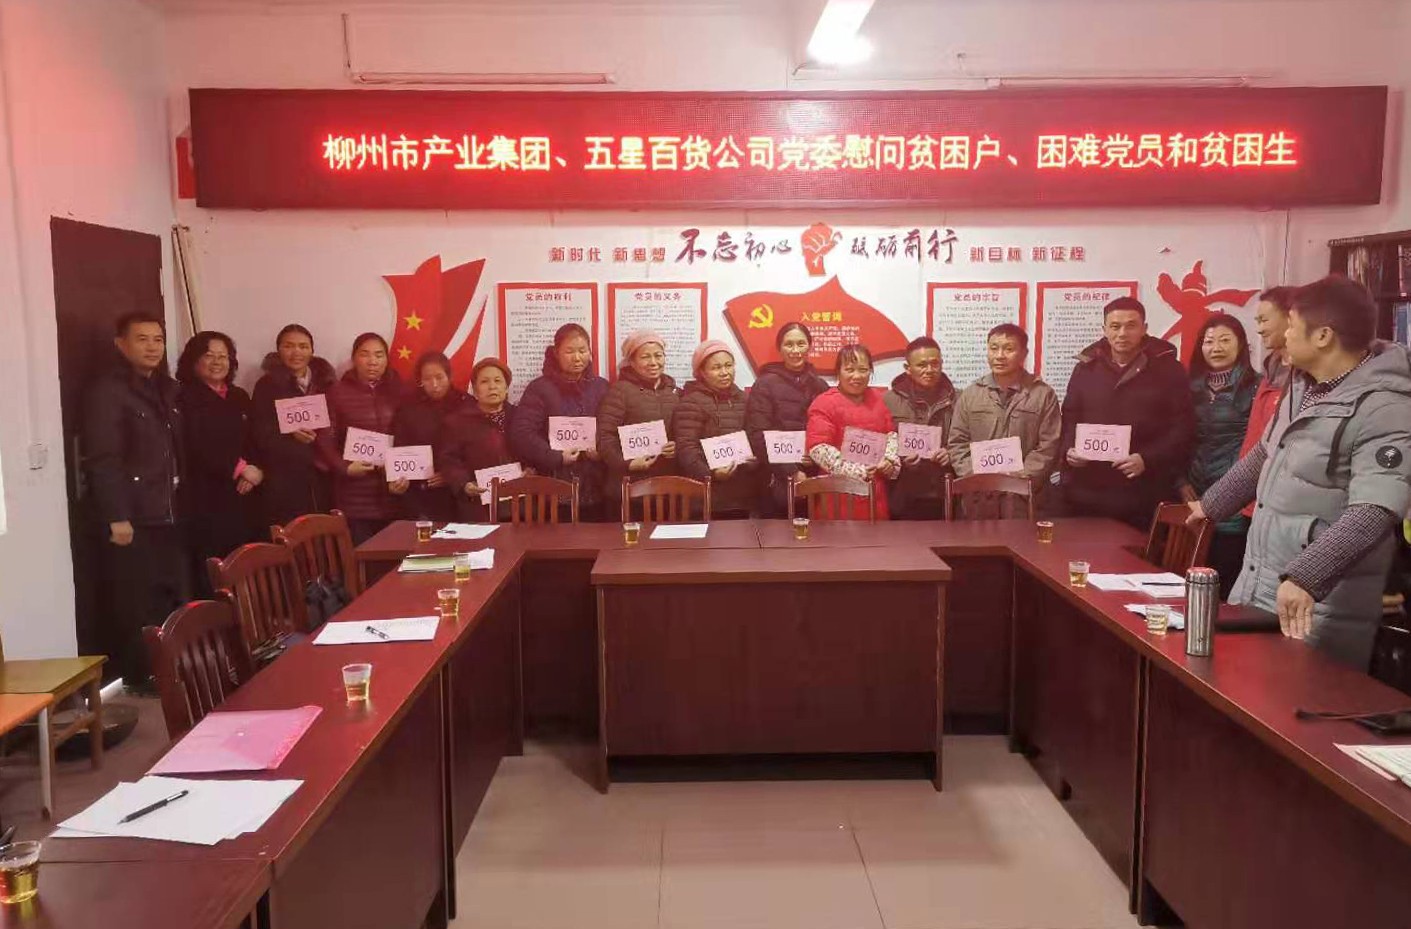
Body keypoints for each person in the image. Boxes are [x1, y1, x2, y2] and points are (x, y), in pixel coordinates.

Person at [1189, 276, 1411, 669]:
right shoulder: (1303, 385)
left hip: (1316, 603)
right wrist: (1211, 506)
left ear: (1323, 336)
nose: (1282, 335)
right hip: (1261, 581)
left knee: (1297, 698)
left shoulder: (1385, 407)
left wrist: (1308, 576)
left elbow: (1375, 509)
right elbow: (1266, 453)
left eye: (1291, 325)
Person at [83, 311, 189, 692]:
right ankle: (143, 676)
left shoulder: (165, 388)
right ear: (121, 344)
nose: (152, 347)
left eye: (158, 339)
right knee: (136, 600)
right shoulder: (108, 392)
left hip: (168, 508)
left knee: (170, 593)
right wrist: (117, 515)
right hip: (133, 514)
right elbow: (103, 458)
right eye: (142, 339)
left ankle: (171, 669)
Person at [1060, 296, 1195, 530]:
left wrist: (1147, 459)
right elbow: (1070, 416)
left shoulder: (1169, 370)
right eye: (1115, 326)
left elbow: (1183, 428)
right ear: (1104, 330)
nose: (1122, 333)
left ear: (1144, 328)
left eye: (1131, 326)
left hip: (1143, 491)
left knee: (1138, 552)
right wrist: (1069, 450)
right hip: (1089, 492)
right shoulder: (1085, 368)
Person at [1177, 314, 1258, 598]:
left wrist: (1234, 492)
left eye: (1225, 340)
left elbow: (1257, 446)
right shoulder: (1188, 388)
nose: (1216, 348)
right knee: (1186, 581)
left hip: (1234, 496)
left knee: (1222, 581)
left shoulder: (1255, 388)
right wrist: (1180, 482)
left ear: (1241, 345)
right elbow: (1176, 439)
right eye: (1209, 341)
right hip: (1191, 493)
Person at [175, 331, 262, 586]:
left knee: (246, 563)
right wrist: (240, 468)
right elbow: (193, 443)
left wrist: (257, 471)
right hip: (207, 496)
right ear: (193, 360)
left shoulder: (239, 396)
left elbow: (256, 438)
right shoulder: (184, 398)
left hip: (246, 493)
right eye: (209, 355)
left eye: (223, 356)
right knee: (214, 568)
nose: (217, 362)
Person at [948, 323, 1063, 504]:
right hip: (979, 497)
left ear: (1024, 354)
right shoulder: (971, 394)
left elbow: (1049, 446)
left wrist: (1018, 477)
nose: (1000, 355)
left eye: (1009, 349)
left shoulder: (1042, 394)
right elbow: (957, 443)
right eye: (994, 348)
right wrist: (978, 475)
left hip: (1024, 498)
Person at [509, 323, 610, 519]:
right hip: (553, 487)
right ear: (556, 353)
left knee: (598, 536)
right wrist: (556, 456)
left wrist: (602, 451)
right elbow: (521, 433)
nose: (577, 358)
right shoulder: (540, 388)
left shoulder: (601, 387)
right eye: (569, 351)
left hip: (597, 486)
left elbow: (612, 429)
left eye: (582, 351)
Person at [317, 333, 407, 544]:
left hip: (394, 494)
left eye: (379, 355)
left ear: (387, 359)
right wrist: (345, 467)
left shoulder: (400, 392)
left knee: (396, 557)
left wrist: (404, 474)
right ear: (354, 359)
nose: (372, 361)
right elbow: (324, 439)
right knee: (362, 556)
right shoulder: (336, 393)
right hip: (355, 496)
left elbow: (409, 437)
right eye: (365, 354)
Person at [250, 324, 336, 527]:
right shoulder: (266, 386)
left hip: (323, 474)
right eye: (289, 346)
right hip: (285, 477)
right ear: (278, 350)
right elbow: (259, 432)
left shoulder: (327, 383)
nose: (296, 352)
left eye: (303, 346)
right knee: (292, 533)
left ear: (312, 351)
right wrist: (289, 434)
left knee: (323, 532)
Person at [805, 344, 900, 520]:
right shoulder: (824, 403)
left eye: (863, 370)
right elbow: (818, 448)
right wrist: (858, 471)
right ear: (838, 372)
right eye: (849, 370)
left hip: (875, 494)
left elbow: (891, 435)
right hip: (837, 496)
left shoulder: (877, 399)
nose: (857, 376)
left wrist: (889, 461)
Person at [744, 322, 829, 517]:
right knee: (775, 534)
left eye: (801, 344)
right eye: (789, 344)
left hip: (813, 477)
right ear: (780, 348)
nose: (795, 350)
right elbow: (757, 435)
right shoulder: (765, 384)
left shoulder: (820, 386)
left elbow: (825, 432)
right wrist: (791, 471)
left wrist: (815, 456)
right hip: (775, 479)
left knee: (814, 533)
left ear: (809, 346)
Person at [597, 330, 680, 513]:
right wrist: (627, 464)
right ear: (632, 362)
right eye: (645, 357)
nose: (653, 362)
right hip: (627, 489)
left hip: (665, 489)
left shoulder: (674, 392)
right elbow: (604, 438)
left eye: (658, 355)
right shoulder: (619, 392)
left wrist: (677, 447)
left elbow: (683, 434)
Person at [674, 340, 758, 517]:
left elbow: (753, 437)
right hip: (704, 497)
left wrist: (754, 460)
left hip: (742, 495)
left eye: (728, 365)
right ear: (702, 372)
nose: (724, 372)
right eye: (716, 367)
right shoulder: (691, 402)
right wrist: (711, 473)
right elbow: (686, 449)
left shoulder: (744, 399)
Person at [1237, 286, 1296, 519]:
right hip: (1254, 495)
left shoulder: (1307, 380)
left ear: (1291, 317)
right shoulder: (1270, 370)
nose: (1259, 329)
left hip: (1282, 504)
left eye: (1264, 320)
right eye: (1257, 321)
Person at [882, 336, 955, 519]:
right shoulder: (888, 400)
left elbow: (967, 440)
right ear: (908, 368)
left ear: (941, 364)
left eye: (934, 364)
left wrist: (950, 453)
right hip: (902, 494)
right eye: (922, 365)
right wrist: (899, 458)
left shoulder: (959, 400)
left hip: (945, 492)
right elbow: (880, 442)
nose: (929, 370)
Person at [389, 352, 465, 521]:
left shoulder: (465, 404)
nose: (434, 384)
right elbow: (399, 447)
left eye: (439, 377)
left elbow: (475, 451)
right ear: (420, 380)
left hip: (458, 496)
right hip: (419, 495)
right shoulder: (408, 407)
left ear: (449, 376)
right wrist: (397, 479)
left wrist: (451, 475)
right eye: (427, 379)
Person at [440, 358, 518, 521]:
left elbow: (533, 451)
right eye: (484, 382)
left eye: (498, 381)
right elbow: (449, 460)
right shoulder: (457, 422)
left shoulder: (520, 417)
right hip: (478, 507)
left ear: (506, 388)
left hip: (520, 506)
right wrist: (464, 484)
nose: (492, 386)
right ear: (475, 391)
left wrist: (531, 470)